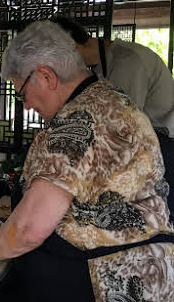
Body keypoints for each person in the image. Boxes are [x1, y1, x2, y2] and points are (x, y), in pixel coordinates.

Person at [0, 21, 174, 302]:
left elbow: (30, 229)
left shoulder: (80, 119)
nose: (26, 105)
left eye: (22, 93)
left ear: (46, 76)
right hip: (144, 267)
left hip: (111, 276)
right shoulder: (105, 97)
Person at [51, 16, 174, 221]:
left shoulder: (128, 61)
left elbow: (121, 127)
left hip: (163, 152)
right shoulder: (102, 65)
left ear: (70, 45)